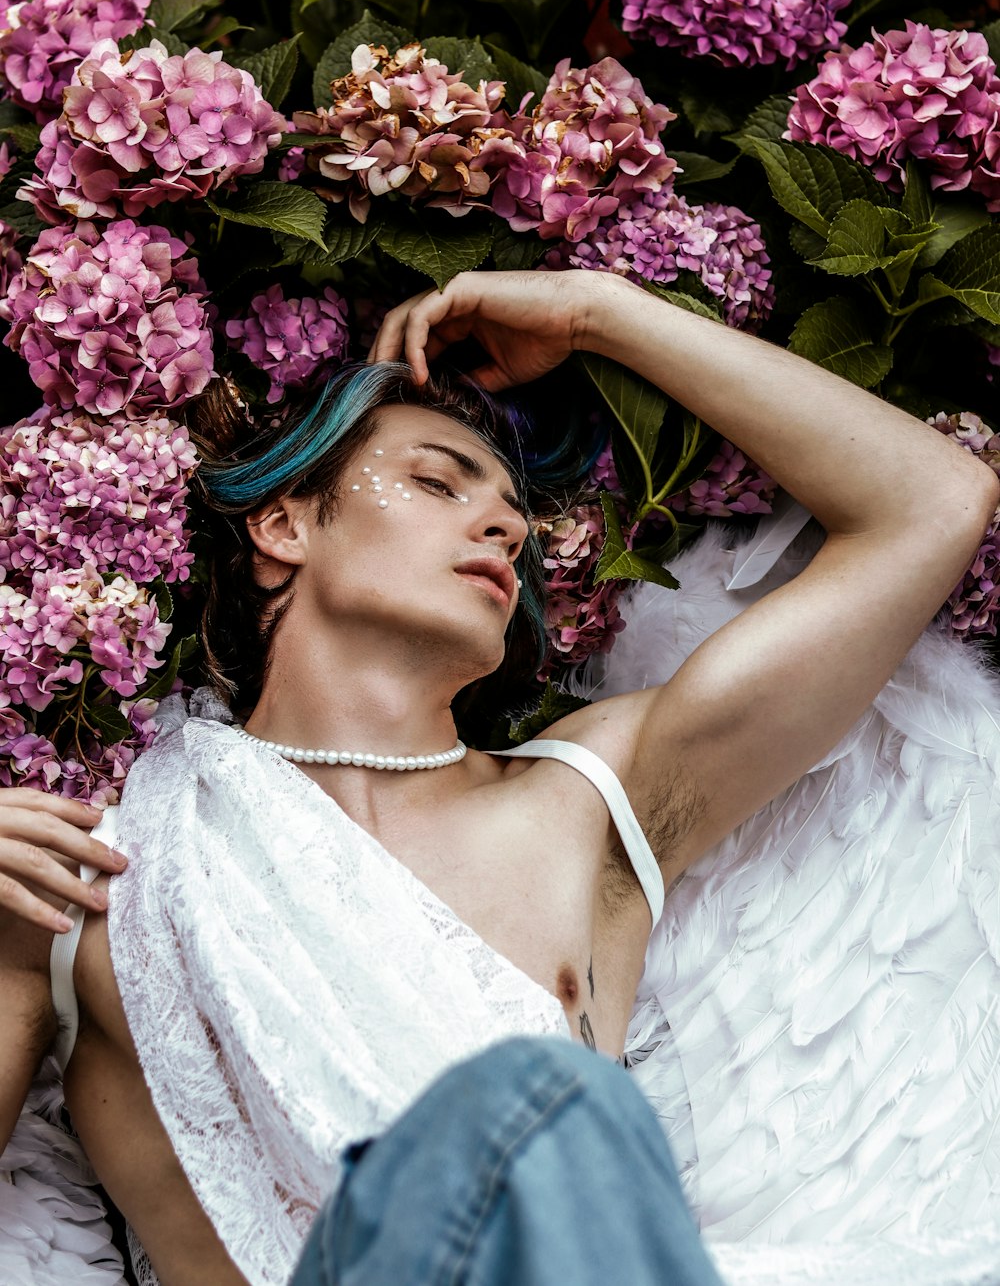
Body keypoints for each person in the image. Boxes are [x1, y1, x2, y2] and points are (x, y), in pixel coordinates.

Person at [0, 267, 997, 1285]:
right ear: (283, 526)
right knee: (533, 1094)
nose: (504, 527)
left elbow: (930, 502)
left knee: (548, 1105)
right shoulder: (101, 875)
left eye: (516, 516)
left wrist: (598, 311)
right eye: (436, 483)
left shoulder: (587, 804)